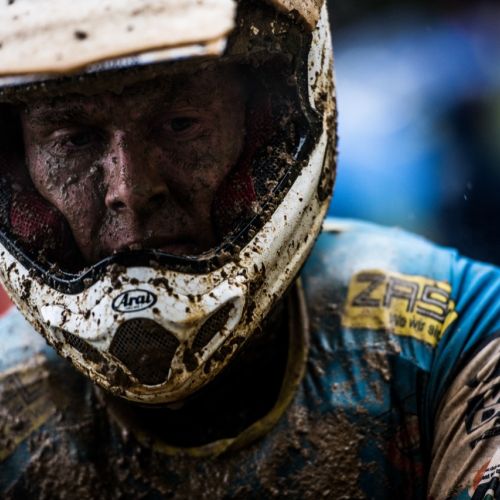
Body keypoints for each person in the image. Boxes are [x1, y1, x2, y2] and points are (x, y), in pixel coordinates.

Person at [0, 1, 499, 498]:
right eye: (73, 141)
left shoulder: (454, 332)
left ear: (271, 126)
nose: (129, 189)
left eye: (180, 124)